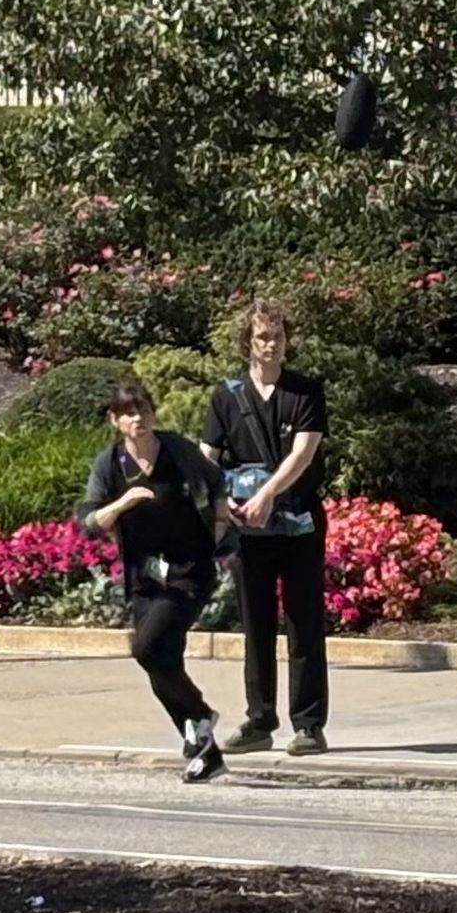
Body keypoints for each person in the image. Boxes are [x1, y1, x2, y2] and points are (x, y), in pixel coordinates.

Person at [75, 383, 236, 784]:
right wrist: (125, 502)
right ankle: (207, 752)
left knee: (146, 648)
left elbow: (217, 480)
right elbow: (90, 521)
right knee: (163, 662)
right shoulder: (110, 463)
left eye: (143, 410)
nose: (138, 419)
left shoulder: (177, 450)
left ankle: (199, 714)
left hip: (189, 570)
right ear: (115, 421)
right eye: (128, 413)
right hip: (143, 577)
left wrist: (220, 524)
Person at [201, 299, 333, 757]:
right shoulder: (226, 396)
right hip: (248, 528)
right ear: (248, 342)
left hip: (299, 522)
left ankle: (309, 725)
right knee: (255, 623)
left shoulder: (306, 392)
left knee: (304, 622)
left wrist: (267, 495)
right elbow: (207, 457)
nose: (271, 344)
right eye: (262, 337)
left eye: (278, 336)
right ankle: (259, 720)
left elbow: (303, 454)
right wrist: (223, 503)